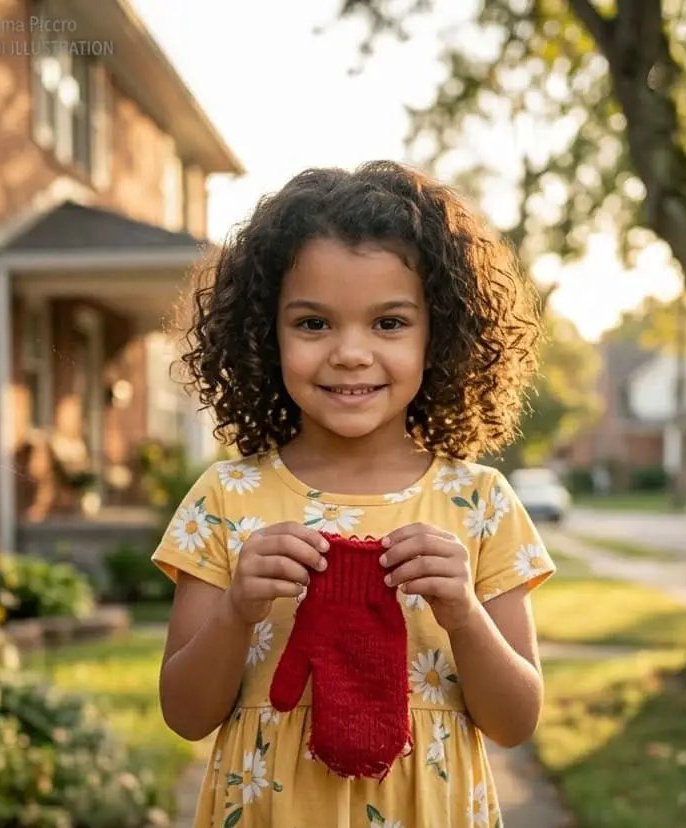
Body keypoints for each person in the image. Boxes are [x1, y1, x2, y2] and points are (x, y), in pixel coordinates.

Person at [152, 160, 557, 827]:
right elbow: (185, 715)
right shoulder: (225, 497)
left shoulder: (480, 504)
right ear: (264, 333)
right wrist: (236, 610)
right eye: (313, 324)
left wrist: (463, 613)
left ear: (440, 335)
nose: (350, 353)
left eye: (389, 323)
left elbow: (516, 721)